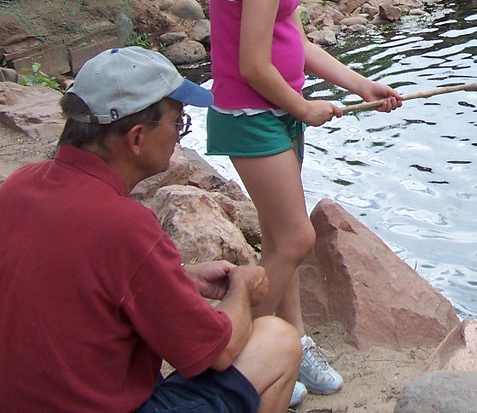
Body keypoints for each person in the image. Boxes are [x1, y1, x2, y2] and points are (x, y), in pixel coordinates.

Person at [202, 0, 403, 401]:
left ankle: (288, 345)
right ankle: (231, 359)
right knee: (295, 238)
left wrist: (361, 85)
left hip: (273, 117)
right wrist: (303, 108)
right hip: (254, 119)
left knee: (278, 237)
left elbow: (298, 45)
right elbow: (252, 65)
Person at [0, 47, 301, 412]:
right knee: (278, 340)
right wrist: (241, 287)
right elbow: (219, 353)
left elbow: (77, 279)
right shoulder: (124, 224)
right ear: (137, 138)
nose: (179, 136)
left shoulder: (18, 186)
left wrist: (177, 278)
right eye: (178, 122)